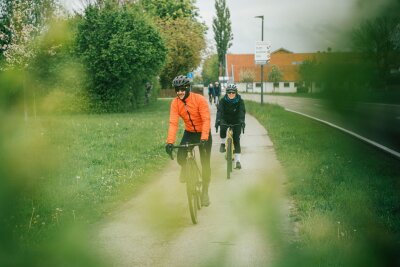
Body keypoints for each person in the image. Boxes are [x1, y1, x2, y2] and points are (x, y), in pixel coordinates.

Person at [165, 75, 212, 207]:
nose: (179, 92)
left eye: (182, 89)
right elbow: (173, 123)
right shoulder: (175, 103)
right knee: (180, 156)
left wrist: (203, 138)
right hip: (190, 132)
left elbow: (206, 120)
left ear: (187, 88)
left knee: (205, 164)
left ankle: (205, 192)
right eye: (177, 89)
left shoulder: (199, 100)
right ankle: (186, 168)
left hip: (203, 133)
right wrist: (170, 142)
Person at [215, 83, 246, 169]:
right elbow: (220, 111)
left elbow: (242, 112)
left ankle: (238, 161)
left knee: (236, 140)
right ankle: (222, 143)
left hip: (236, 120)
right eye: (229, 92)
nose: (231, 94)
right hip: (225, 119)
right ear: (226, 93)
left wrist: (242, 121)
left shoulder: (240, 101)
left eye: (233, 92)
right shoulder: (222, 101)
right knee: (222, 127)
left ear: (236, 92)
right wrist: (218, 120)